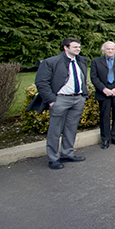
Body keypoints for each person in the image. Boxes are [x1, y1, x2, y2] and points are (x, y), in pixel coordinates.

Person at [35, 37, 89, 169]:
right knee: (55, 130)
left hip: (77, 99)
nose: (78, 49)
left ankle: (67, 153)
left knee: (71, 128)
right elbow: (41, 82)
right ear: (66, 47)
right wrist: (52, 100)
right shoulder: (51, 62)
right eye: (75, 47)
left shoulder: (81, 61)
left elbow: (82, 78)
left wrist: (84, 95)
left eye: (79, 47)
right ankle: (53, 158)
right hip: (60, 99)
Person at [90, 41, 115, 149]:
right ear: (103, 50)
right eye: (108, 49)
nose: (110, 51)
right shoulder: (96, 61)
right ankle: (105, 139)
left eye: (112, 49)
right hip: (104, 93)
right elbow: (94, 77)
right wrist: (104, 89)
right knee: (105, 116)